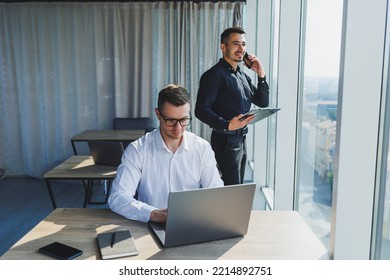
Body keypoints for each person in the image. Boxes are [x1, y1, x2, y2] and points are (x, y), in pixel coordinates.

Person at [108, 84, 224, 223]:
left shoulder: (202, 148)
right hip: (149, 226)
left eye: (184, 120)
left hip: (192, 223)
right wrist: (153, 214)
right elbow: (118, 197)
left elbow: (216, 194)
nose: (178, 128)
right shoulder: (138, 149)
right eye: (171, 120)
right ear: (158, 114)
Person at [195, 26, 269, 185]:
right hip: (224, 141)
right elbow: (200, 110)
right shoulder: (214, 75)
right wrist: (227, 125)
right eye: (236, 44)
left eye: (243, 44)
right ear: (223, 47)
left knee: (237, 187)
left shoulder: (242, 75)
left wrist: (261, 75)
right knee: (230, 190)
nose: (241, 49)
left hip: (241, 139)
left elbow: (263, 102)